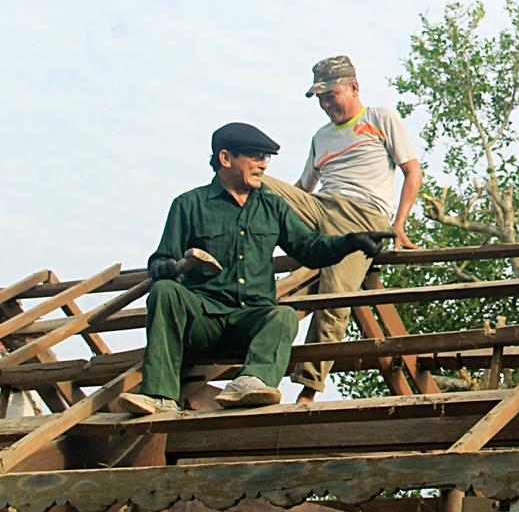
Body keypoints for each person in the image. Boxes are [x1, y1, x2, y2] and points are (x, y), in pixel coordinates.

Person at [117, 123, 393, 415]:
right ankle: (160, 395)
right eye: (255, 156)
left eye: (266, 158)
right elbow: (161, 258)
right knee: (164, 291)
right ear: (226, 159)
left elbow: (310, 249)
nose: (263, 164)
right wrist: (163, 268)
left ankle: (251, 382)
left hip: (250, 324)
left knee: (283, 316)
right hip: (203, 321)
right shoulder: (188, 205)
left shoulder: (272, 207)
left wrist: (351, 242)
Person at [263, 55, 423, 402]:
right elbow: (302, 188)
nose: (325, 104)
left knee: (333, 299)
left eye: (330, 94)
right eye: (319, 98)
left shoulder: (380, 118)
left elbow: (412, 171)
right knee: (256, 180)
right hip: (320, 204)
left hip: (362, 215)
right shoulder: (320, 137)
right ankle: (237, 254)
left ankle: (307, 390)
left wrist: (398, 226)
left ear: (353, 87)